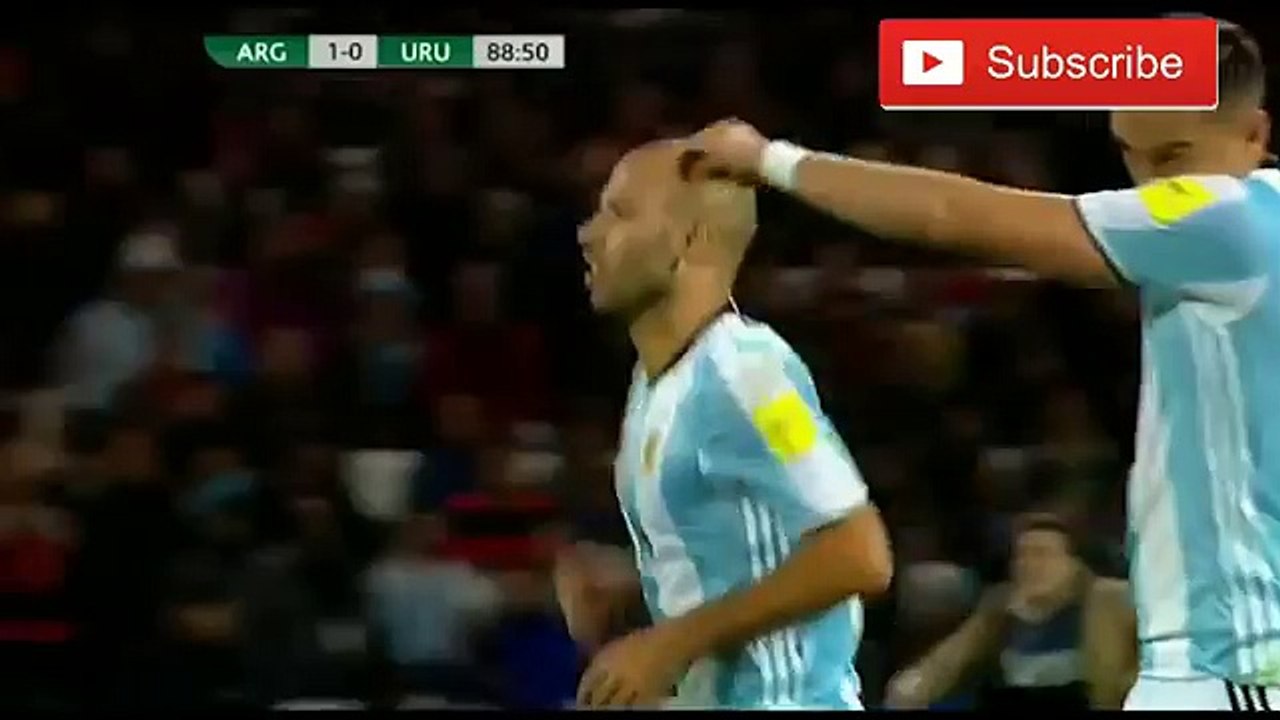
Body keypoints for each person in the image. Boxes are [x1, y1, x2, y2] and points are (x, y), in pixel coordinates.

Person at [690, 17, 1280, 711]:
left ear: (1255, 135)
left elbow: (950, 213)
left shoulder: (1223, 218)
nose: (1147, 182)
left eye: (1172, 156)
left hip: (1234, 670)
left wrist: (769, 159)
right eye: (1128, 152)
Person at [557, 138, 893, 709]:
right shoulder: (654, 378)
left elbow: (858, 553)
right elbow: (743, 556)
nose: (588, 234)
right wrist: (632, 593)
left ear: (688, 239)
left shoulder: (750, 376)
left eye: (619, 213)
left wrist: (670, 643)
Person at [885, 514, 1136, 710]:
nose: (1031, 565)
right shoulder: (1000, 605)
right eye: (1022, 556)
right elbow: (951, 658)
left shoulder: (1113, 600)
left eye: (1043, 554)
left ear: (1074, 563)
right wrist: (915, 684)